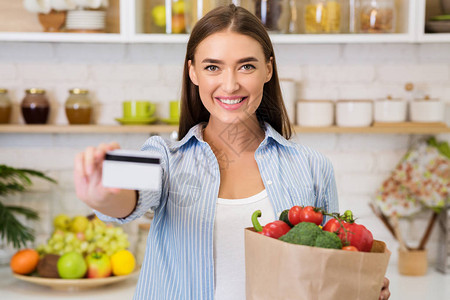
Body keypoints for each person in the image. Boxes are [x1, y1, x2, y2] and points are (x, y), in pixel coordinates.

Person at [74, 4, 390, 300]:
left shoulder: (311, 165)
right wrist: (102, 194)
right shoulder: (166, 158)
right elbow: (124, 194)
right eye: (213, 67)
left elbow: (330, 262)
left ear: (268, 69)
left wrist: (358, 283)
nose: (229, 85)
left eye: (246, 66)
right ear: (193, 72)